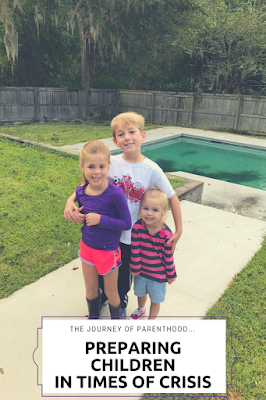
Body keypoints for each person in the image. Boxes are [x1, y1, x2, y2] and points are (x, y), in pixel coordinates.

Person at [64, 112, 182, 318]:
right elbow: (88, 184)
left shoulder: (151, 169)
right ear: (115, 141)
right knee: (102, 271)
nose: (127, 137)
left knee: (123, 275)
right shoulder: (111, 163)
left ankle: (121, 297)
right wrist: (69, 201)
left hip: (129, 235)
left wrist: (179, 230)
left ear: (143, 136)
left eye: (132, 132)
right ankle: (102, 297)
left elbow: (172, 196)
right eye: (121, 134)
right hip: (104, 233)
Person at [71, 140, 131, 319]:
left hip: (108, 251)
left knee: (111, 291)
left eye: (101, 166)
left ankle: (115, 322)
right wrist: (71, 208)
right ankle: (94, 318)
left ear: (108, 166)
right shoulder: (81, 192)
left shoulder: (115, 193)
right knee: (90, 289)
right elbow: (77, 199)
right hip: (87, 248)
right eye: (91, 166)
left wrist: (101, 220)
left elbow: (126, 223)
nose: (96, 172)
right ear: (81, 166)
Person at [129, 189, 176, 320]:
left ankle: (151, 321)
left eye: (155, 210)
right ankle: (141, 309)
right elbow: (135, 249)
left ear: (163, 211)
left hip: (158, 275)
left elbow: (168, 257)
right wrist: (135, 268)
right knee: (140, 293)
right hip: (141, 272)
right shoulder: (137, 228)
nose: (149, 213)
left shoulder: (166, 235)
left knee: (156, 299)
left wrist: (171, 275)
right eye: (145, 208)